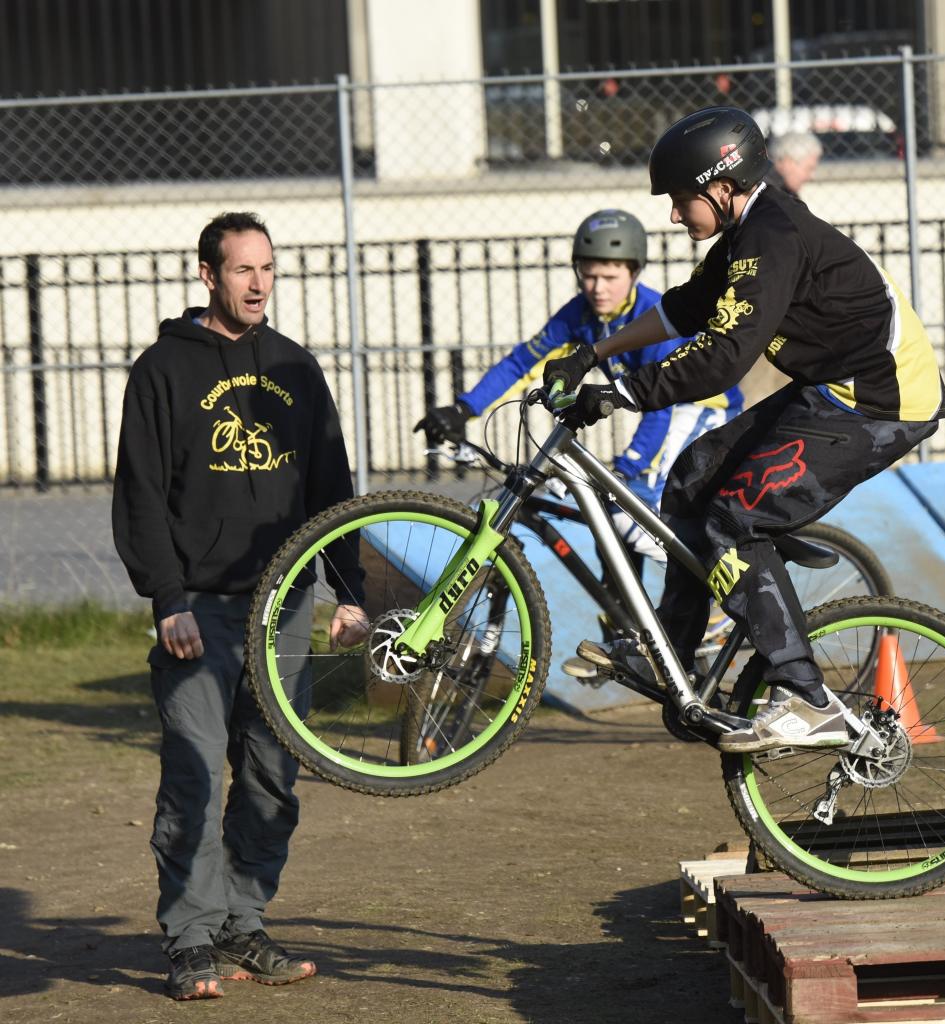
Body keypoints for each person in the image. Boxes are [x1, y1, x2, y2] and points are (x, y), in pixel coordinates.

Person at [541, 106, 945, 754]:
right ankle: (678, 666)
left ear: (721, 186)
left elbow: (723, 356)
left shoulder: (772, 235)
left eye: (680, 200)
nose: (675, 216)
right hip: (827, 391)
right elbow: (684, 309)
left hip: (878, 404)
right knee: (689, 478)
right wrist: (593, 355)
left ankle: (806, 698)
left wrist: (621, 392)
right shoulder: (745, 232)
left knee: (732, 521)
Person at [112, 211, 369, 1000]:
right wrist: (167, 599)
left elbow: (332, 486)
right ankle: (190, 938)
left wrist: (348, 590)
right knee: (193, 774)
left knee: (270, 777)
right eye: (242, 270)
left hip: (282, 605)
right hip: (199, 610)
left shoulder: (294, 367)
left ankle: (241, 921)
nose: (258, 283)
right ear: (207, 275)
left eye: (267, 268)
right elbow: (142, 496)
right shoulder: (163, 371)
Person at [415, 209, 744, 665]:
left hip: (700, 408)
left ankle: (715, 602)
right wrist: (463, 408)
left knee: (630, 507)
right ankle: (630, 630)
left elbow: (663, 407)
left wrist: (627, 466)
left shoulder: (651, 315)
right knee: (613, 514)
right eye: (588, 276)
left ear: (634, 272)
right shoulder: (579, 315)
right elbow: (520, 361)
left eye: (610, 276)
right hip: (660, 410)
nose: (597, 288)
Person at [765, 130, 823, 196]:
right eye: (809, 169)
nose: (811, 177)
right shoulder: (770, 195)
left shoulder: (783, 191)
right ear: (788, 162)